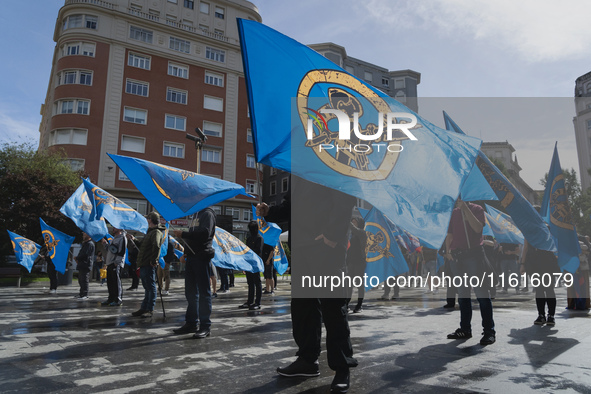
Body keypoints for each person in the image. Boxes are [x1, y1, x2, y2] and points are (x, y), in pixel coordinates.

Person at [259, 176, 357, 393]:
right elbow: (290, 206)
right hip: (302, 247)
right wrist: (269, 212)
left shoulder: (330, 156)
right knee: (303, 307)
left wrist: (332, 235)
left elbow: (345, 195)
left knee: (333, 306)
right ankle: (307, 360)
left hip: (327, 246)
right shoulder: (299, 170)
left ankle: (342, 367)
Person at [444, 199, 495, 346]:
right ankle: (465, 328)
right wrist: (448, 252)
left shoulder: (477, 209)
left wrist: (466, 209)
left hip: (474, 255)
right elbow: (450, 234)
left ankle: (489, 331)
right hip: (457, 257)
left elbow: (478, 229)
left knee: (482, 294)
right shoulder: (453, 213)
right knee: (463, 295)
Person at [173, 207, 216, 339]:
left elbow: (205, 233)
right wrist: (185, 253)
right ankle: (191, 323)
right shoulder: (196, 215)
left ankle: (205, 326)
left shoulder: (207, 214)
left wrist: (183, 234)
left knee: (204, 293)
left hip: (201, 257)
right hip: (192, 257)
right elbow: (192, 238)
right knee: (190, 292)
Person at [131, 212, 165, 318]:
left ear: (150, 220)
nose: (146, 220)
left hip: (148, 264)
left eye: (147, 219)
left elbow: (157, 245)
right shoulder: (150, 232)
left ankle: (149, 309)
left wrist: (154, 260)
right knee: (147, 287)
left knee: (150, 287)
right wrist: (134, 240)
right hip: (144, 263)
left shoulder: (156, 232)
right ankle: (144, 308)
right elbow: (143, 246)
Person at [520, 237, 560, 325]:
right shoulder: (531, 231)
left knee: (547, 289)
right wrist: (522, 264)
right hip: (535, 262)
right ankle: (543, 315)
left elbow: (555, 243)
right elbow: (525, 248)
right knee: (540, 289)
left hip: (545, 261)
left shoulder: (546, 229)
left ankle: (549, 316)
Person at [240, 221, 263, 310]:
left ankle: (257, 302)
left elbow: (258, 252)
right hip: (249, 263)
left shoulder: (259, 238)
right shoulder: (249, 238)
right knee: (250, 283)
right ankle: (250, 301)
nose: (251, 230)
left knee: (257, 283)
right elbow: (246, 251)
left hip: (255, 263)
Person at [101, 227, 127, 306]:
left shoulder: (122, 238)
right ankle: (111, 298)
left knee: (116, 282)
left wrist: (117, 262)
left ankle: (118, 299)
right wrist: (105, 244)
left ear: (119, 229)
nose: (113, 229)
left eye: (115, 227)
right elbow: (111, 250)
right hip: (110, 263)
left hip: (115, 263)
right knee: (110, 282)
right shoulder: (114, 239)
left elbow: (121, 251)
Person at [347, 217, 367, 312]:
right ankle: (346, 303)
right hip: (351, 261)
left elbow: (355, 229)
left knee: (359, 284)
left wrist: (346, 217)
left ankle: (359, 305)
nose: (353, 223)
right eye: (352, 221)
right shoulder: (350, 234)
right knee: (348, 284)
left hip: (359, 261)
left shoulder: (362, 233)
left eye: (355, 222)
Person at [75, 232, 95, 300]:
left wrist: (77, 258)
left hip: (86, 264)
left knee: (84, 280)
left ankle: (85, 294)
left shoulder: (90, 244)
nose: (83, 235)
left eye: (85, 234)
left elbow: (85, 254)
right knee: (80, 280)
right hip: (82, 264)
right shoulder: (85, 244)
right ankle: (81, 294)